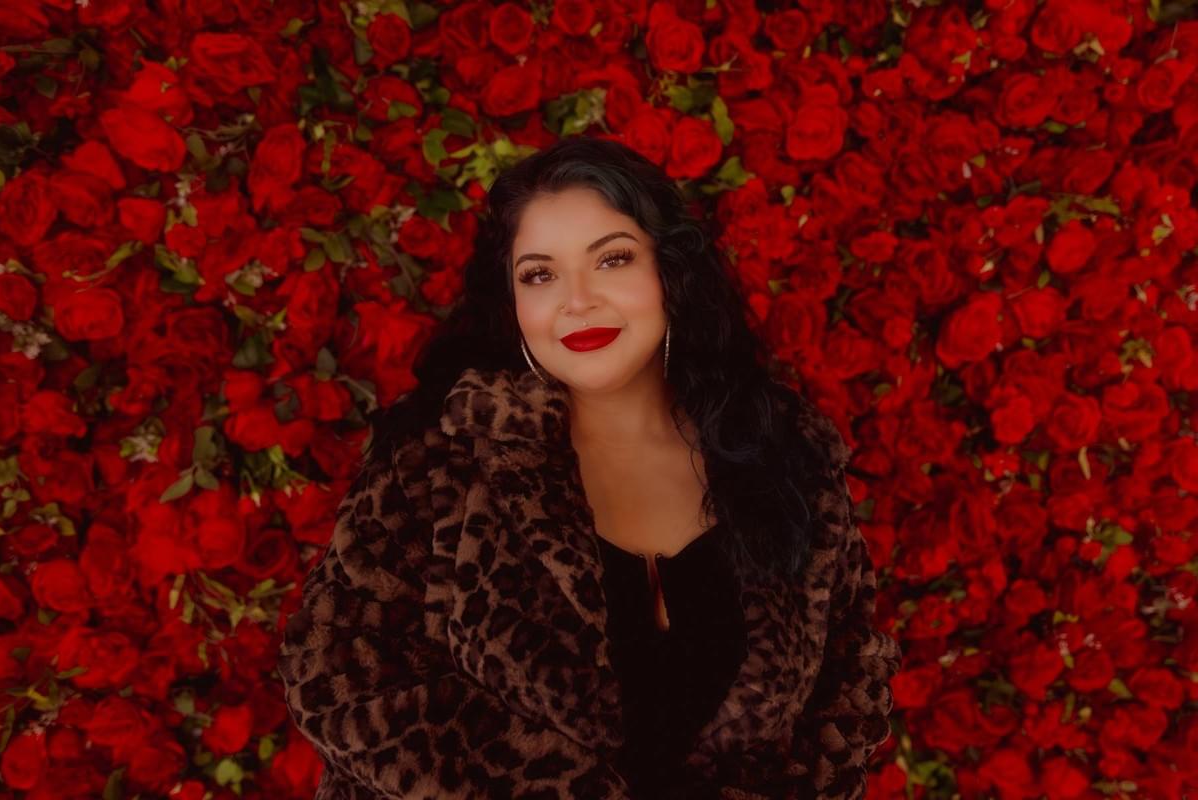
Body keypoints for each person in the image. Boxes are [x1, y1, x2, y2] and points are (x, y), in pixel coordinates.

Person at [277, 136, 902, 799]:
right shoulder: (446, 457)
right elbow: (335, 671)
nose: (577, 300)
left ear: (671, 271)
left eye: (612, 259)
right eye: (539, 274)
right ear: (513, 302)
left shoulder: (785, 452)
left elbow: (851, 677)